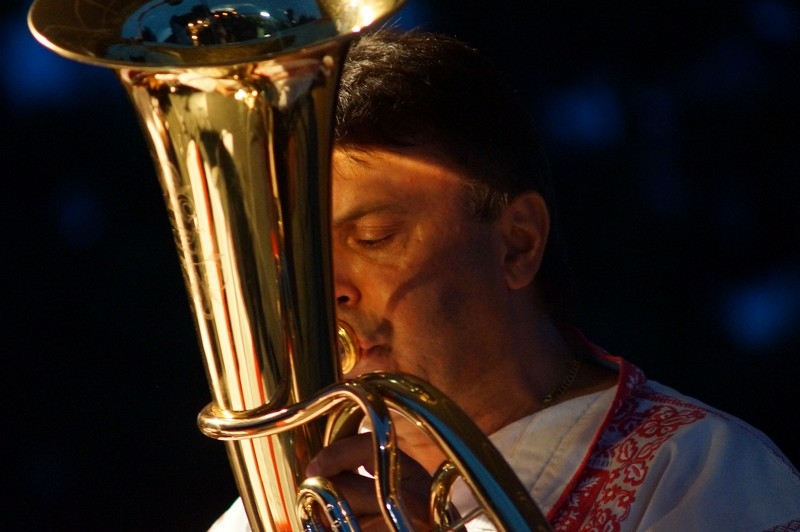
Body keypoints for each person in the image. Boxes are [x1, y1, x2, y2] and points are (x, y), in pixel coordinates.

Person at [211, 29, 800, 531]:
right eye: (305, 258)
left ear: (517, 244)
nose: (328, 290)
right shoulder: (287, 502)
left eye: (373, 238)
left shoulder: (701, 472)